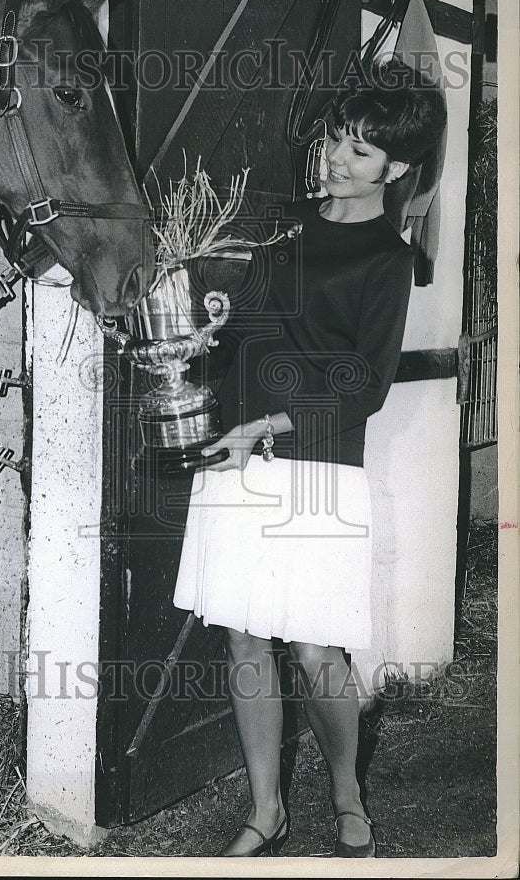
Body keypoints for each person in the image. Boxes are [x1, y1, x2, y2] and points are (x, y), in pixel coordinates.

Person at [172, 57, 447, 858]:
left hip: (317, 465)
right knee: (244, 641)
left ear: (395, 170)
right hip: (234, 455)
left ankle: (344, 788)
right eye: (336, 138)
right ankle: (266, 809)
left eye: (361, 150)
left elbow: (363, 385)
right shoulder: (278, 223)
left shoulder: (389, 261)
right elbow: (245, 330)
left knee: (315, 650)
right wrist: (191, 339)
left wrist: (265, 427)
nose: (337, 157)